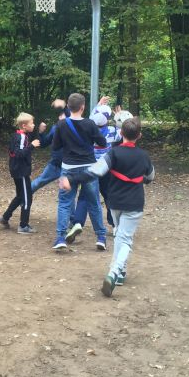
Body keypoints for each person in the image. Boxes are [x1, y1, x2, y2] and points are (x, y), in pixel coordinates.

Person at [60, 117, 154, 297]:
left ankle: (121, 273)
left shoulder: (113, 153)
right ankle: (114, 272)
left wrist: (71, 180)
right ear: (139, 135)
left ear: (121, 133)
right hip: (134, 203)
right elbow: (150, 177)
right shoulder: (144, 156)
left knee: (119, 234)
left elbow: (94, 172)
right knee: (125, 239)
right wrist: (139, 178)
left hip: (115, 202)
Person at [50, 93, 107, 251]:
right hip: (89, 168)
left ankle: (60, 237)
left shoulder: (61, 125)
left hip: (68, 168)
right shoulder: (90, 124)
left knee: (65, 203)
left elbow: (55, 146)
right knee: (94, 203)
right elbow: (102, 143)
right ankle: (101, 237)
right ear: (83, 107)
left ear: (68, 107)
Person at [72, 97, 122, 236]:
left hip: (91, 167)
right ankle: (115, 225)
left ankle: (77, 222)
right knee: (109, 196)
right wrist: (120, 116)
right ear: (108, 119)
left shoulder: (87, 130)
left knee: (84, 196)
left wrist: (97, 106)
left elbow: (88, 120)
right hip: (107, 168)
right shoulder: (112, 131)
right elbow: (124, 129)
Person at [0, 113, 40, 233]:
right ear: (24, 126)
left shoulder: (19, 135)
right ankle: (23, 226)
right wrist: (31, 146)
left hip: (17, 170)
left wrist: (40, 132)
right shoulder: (21, 137)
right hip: (21, 172)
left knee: (20, 196)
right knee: (27, 198)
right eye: (32, 123)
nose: (34, 125)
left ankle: (5, 218)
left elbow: (22, 147)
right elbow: (18, 154)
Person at [31, 99, 66, 193]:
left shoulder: (76, 127)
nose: (62, 116)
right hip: (56, 165)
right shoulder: (55, 128)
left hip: (70, 166)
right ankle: (22, 196)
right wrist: (41, 132)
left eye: (65, 115)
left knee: (67, 192)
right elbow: (43, 143)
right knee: (38, 182)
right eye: (61, 115)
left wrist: (64, 105)